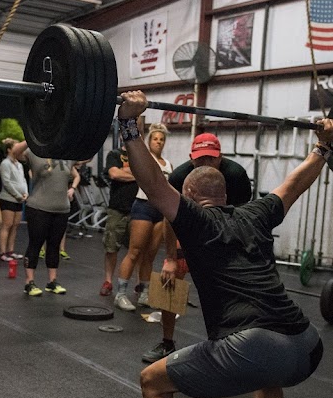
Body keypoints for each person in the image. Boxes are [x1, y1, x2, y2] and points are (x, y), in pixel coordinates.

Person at [116, 90, 333, 398]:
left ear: (188, 194)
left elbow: (151, 185)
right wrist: (325, 146)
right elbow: (294, 183)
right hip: (305, 346)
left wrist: (129, 125)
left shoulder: (194, 221)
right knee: (268, 376)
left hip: (253, 345)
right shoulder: (256, 213)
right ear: (227, 193)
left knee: (152, 383)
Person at [141, 132, 253, 363]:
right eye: (200, 159)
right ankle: (167, 343)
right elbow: (170, 220)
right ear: (191, 158)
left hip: (225, 233)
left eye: (210, 159)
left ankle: (230, 342)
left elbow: (241, 218)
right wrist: (171, 258)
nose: (205, 163)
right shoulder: (179, 177)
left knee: (232, 289)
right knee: (168, 280)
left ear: (219, 157)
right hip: (189, 233)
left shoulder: (236, 176)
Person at [113, 124, 172, 308]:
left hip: (159, 211)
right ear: (149, 141)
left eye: (161, 139)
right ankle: (121, 294)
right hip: (143, 207)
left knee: (150, 255)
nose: (158, 142)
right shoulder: (145, 158)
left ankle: (145, 293)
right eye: (155, 139)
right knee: (134, 252)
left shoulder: (168, 164)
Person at [10, 140, 79, 296]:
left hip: (62, 209)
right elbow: (15, 152)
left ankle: (52, 282)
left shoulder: (67, 154)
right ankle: (29, 282)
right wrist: (32, 136)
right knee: (35, 244)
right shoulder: (35, 152)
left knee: (54, 246)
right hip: (38, 208)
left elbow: (87, 156)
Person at [100, 141, 138, 298]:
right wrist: (137, 174)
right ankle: (108, 281)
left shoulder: (140, 156)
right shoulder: (114, 155)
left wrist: (126, 172)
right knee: (111, 247)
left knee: (137, 249)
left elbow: (148, 174)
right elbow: (114, 174)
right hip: (117, 208)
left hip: (138, 208)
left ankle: (138, 283)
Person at [0, 138, 27, 262]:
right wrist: (17, 195)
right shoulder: (5, 164)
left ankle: (11, 250)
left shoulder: (19, 165)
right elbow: (7, 182)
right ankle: (2, 252)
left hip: (19, 199)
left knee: (15, 225)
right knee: (7, 225)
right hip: (8, 199)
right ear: (9, 149)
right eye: (15, 146)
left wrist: (25, 193)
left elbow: (23, 180)